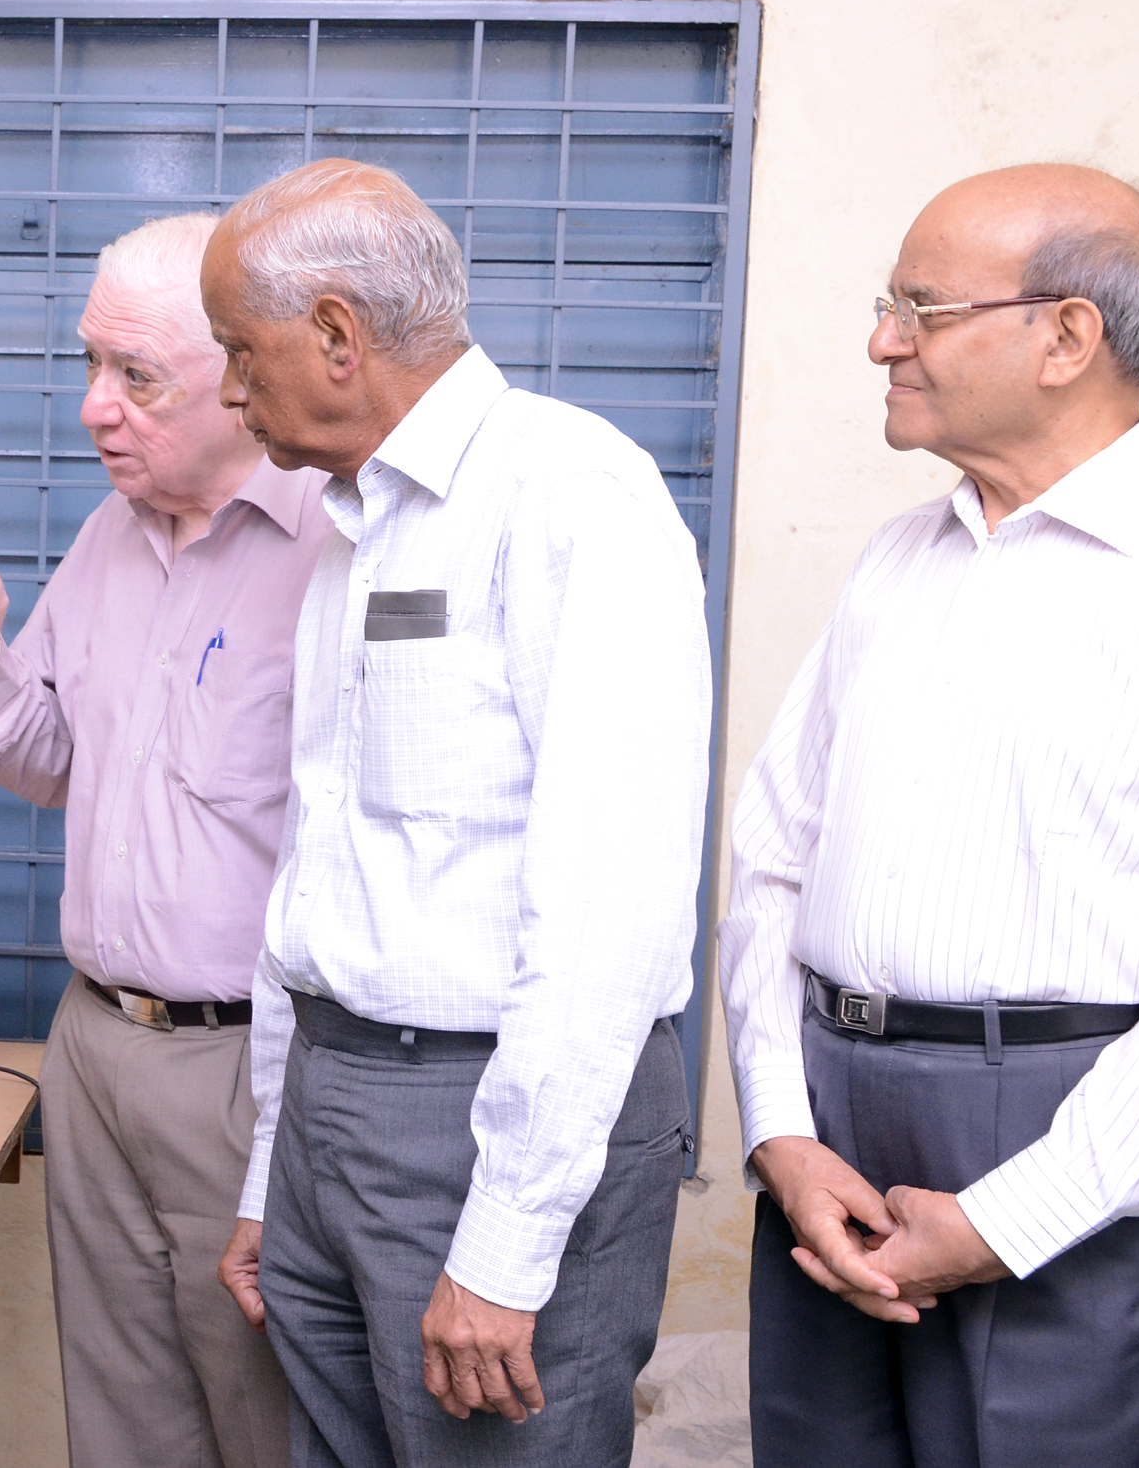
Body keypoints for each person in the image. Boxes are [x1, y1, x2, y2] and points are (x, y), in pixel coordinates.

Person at [205, 159, 712, 1467]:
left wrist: (506, 1244)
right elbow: (324, 864)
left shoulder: (570, 496)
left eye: (239, 351)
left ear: (336, 333)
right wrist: (274, 1175)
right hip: (331, 1108)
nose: (228, 391)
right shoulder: (355, 526)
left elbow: (613, 909)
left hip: (489, 1121)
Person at [719, 163, 1139, 1466]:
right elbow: (769, 868)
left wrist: (1007, 1220)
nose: (883, 341)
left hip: (1078, 1144)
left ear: (1067, 336)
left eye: (919, 309)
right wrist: (781, 1134)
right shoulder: (895, 563)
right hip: (830, 1138)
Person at [0, 213, 326, 1468]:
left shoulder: (337, 545)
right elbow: (55, 764)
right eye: (90, 364)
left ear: (241, 372)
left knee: (266, 1412)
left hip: (251, 1063)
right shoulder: (108, 538)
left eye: (138, 376)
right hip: (94, 1044)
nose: (94, 408)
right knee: (121, 1416)